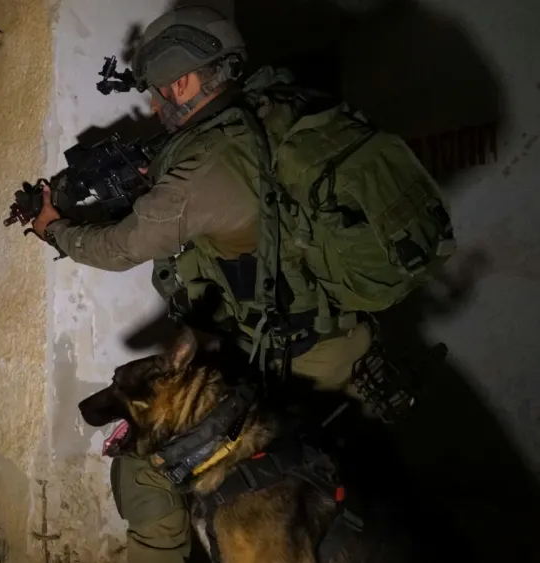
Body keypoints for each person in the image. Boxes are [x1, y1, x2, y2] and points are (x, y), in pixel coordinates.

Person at [31, 5, 452, 562]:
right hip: (350, 350)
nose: (154, 106)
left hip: (287, 366)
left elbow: (121, 246)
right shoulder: (277, 115)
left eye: (157, 93)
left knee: (150, 472)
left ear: (182, 80)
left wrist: (55, 230)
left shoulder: (205, 158)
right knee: (351, 510)